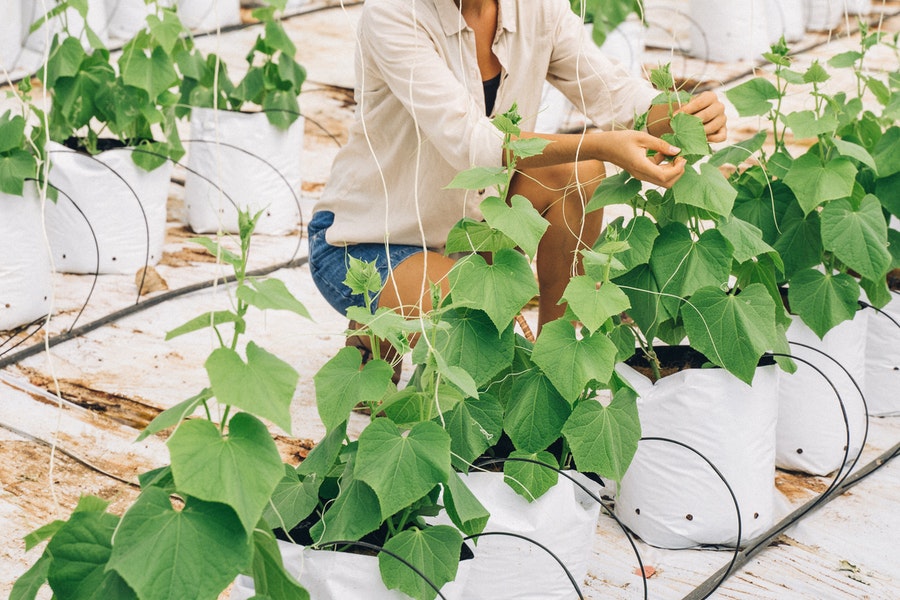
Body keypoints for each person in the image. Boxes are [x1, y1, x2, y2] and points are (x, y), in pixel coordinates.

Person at [308, 0, 727, 376]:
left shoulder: (536, 7)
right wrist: (600, 144)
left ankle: (556, 360)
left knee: (579, 173)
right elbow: (472, 143)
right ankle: (373, 334)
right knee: (477, 331)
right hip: (369, 240)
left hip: (473, 226)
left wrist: (685, 114)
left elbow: (616, 96)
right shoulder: (394, 13)